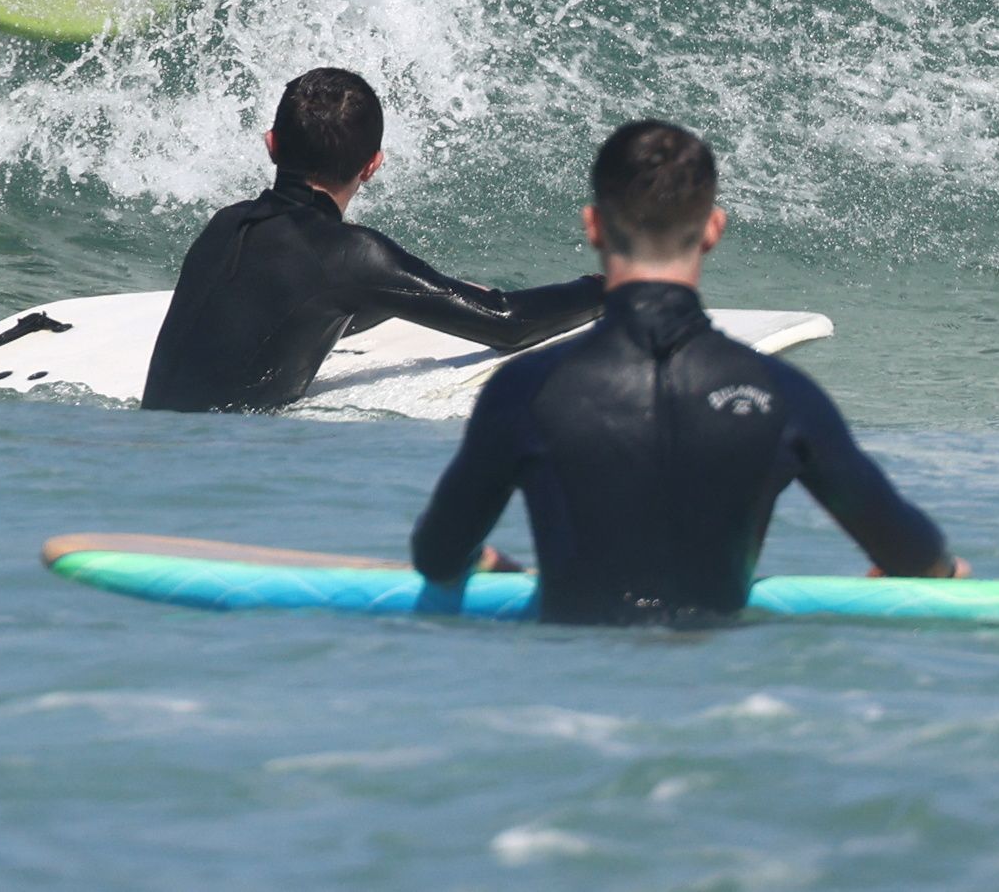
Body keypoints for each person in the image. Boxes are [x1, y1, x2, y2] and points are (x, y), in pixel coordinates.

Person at [409, 119, 962, 625]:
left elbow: (436, 556)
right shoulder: (783, 395)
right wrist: (939, 569)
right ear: (714, 229)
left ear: (594, 226)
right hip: (723, 695)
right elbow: (910, 552)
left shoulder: (525, 390)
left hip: (573, 705)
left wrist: (482, 560)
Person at [141, 67, 602, 414]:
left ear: (271, 145)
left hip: (148, 447)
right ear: (373, 165)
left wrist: (404, 297)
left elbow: (287, 307)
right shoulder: (351, 256)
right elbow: (506, 322)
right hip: (225, 469)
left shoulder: (227, 223)